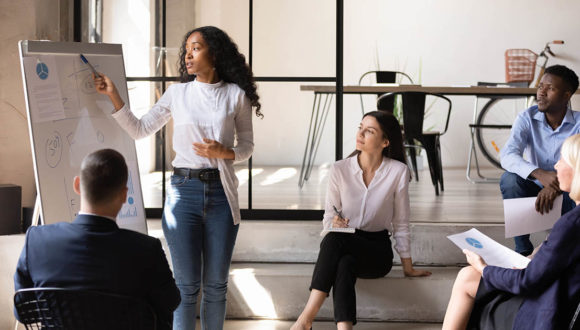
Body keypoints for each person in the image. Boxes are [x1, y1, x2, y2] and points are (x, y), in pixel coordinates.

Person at [93, 26, 260, 330]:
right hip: (183, 194)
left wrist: (226, 152)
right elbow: (140, 129)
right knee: (185, 287)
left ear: (215, 53)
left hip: (222, 195)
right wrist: (114, 95)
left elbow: (247, 146)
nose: (188, 55)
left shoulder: (236, 96)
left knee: (216, 286)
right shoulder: (177, 93)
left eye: (196, 48)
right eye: (187, 50)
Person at [291, 111, 431, 330]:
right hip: (345, 240)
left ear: (385, 142)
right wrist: (332, 224)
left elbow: (401, 222)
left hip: (377, 251)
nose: (360, 133)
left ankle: (305, 320)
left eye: (370, 131)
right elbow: (328, 217)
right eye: (360, 127)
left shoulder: (398, 171)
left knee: (335, 242)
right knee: (343, 260)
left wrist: (408, 267)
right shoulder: (340, 169)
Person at [14, 149, 180, 329]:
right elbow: (170, 303)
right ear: (124, 195)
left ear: (77, 185)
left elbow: (23, 310)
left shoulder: (37, 241)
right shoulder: (147, 250)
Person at [443, 133, 580, 330]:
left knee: (468, 278)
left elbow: (527, 281)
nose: (556, 166)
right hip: (558, 296)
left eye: (562, 160)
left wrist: (483, 267)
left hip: (547, 310)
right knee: (469, 277)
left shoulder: (571, 223)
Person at [500, 65, 580, 256]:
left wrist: (555, 184)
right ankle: (522, 251)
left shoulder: (578, 123)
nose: (541, 93)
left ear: (567, 95)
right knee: (509, 180)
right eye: (540, 86)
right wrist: (539, 174)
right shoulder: (527, 117)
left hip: (568, 192)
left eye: (550, 88)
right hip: (534, 189)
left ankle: (566, 251)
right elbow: (507, 155)